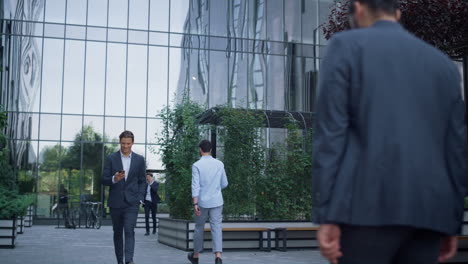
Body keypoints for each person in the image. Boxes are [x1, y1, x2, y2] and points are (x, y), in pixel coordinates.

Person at [312, 0, 467, 264]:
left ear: (359, 8)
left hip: (365, 208)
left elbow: (331, 135)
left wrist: (327, 214)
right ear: (397, 12)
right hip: (430, 212)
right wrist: (452, 223)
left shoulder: (346, 46)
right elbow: (456, 149)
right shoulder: (443, 65)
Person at [102, 131, 146, 264]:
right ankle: (120, 261)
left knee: (129, 230)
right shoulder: (111, 158)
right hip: (116, 202)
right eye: (123, 143)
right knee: (117, 233)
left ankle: (129, 261)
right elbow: (103, 179)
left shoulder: (139, 159)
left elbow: (142, 181)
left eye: (128, 143)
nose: (125, 146)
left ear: (132, 143)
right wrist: (114, 179)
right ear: (119, 142)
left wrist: (140, 198)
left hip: (132, 202)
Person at [188, 140, 228, 264]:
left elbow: (195, 186)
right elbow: (224, 183)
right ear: (211, 150)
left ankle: (195, 255)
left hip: (202, 202)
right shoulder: (219, 164)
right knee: (216, 227)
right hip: (217, 201)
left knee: (199, 228)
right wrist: (215, 189)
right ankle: (218, 256)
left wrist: (195, 203)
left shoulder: (197, 165)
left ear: (200, 149)